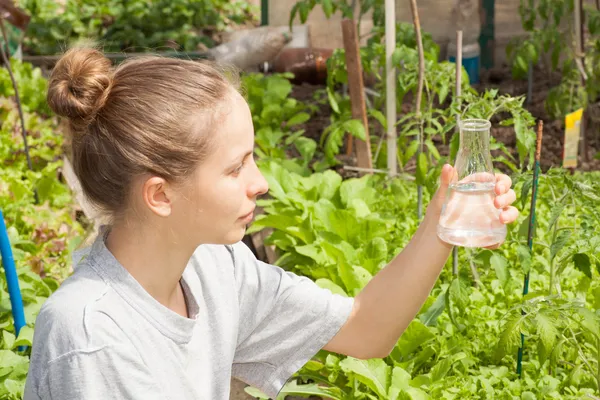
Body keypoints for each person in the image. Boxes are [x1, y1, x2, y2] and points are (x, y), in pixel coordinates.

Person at [24, 46, 519, 400]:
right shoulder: (90, 337)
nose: (260, 182)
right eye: (236, 167)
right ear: (160, 195)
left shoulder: (214, 268)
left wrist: (441, 225)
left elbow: (366, 328)